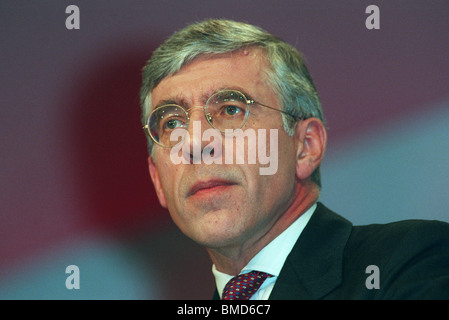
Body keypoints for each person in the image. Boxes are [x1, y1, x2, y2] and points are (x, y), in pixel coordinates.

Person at [139, 19, 449, 299]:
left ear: (305, 146)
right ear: (157, 180)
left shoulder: (408, 264)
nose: (193, 142)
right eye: (171, 123)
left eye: (231, 109)